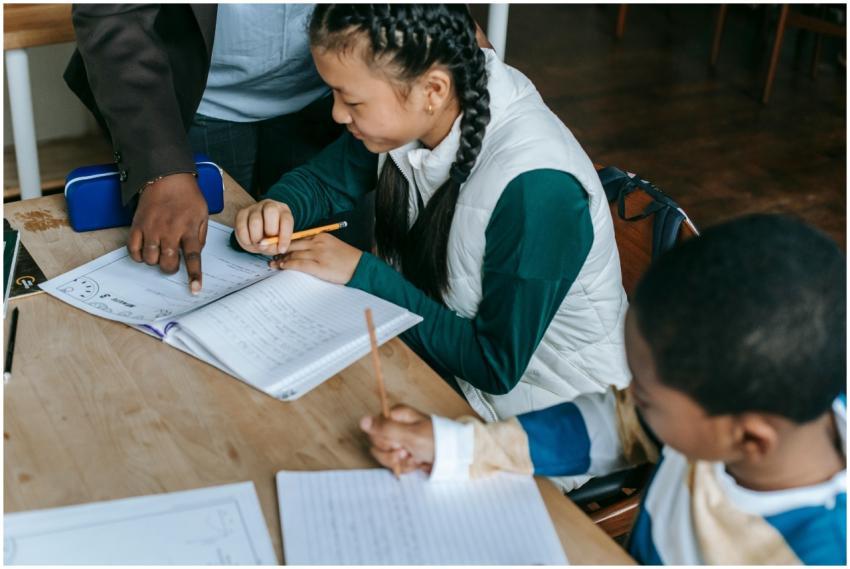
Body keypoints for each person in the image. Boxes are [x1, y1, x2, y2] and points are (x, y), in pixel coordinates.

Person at [233, 5, 631, 450]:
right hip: (435, 363)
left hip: (548, 419)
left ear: (433, 90)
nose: (337, 115)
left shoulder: (536, 190)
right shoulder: (417, 110)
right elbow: (325, 181)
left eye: (352, 100)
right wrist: (277, 206)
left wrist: (362, 274)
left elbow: (494, 367)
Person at [360, 214, 847, 565]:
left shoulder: (813, 552)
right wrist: (456, 446)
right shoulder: (737, 408)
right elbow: (616, 423)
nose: (629, 397)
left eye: (647, 396)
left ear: (751, 441)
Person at [64, 4, 348, 294]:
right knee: (195, 275)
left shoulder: (352, 111)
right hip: (194, 97)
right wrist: (162, 166)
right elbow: (113, 13)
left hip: (332, 94)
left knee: (327, 287)